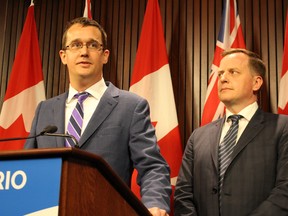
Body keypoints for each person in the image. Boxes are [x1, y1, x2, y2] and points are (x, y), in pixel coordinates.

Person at [24, 17, 171, 216]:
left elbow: (153, 166)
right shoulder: (44, 109)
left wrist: (155, 204)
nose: (84, 52)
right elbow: (28, 168)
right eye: (76, 45)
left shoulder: (131, 107)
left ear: (105, 55)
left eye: (93, 45)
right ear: (63, 56)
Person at [174, 48, 288, 216]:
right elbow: (183, 193)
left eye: (233, 72)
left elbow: (285, 190)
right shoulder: (198, 136)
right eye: (220, 74)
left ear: (256, 82)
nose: (223, 79)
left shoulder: (283, 127)